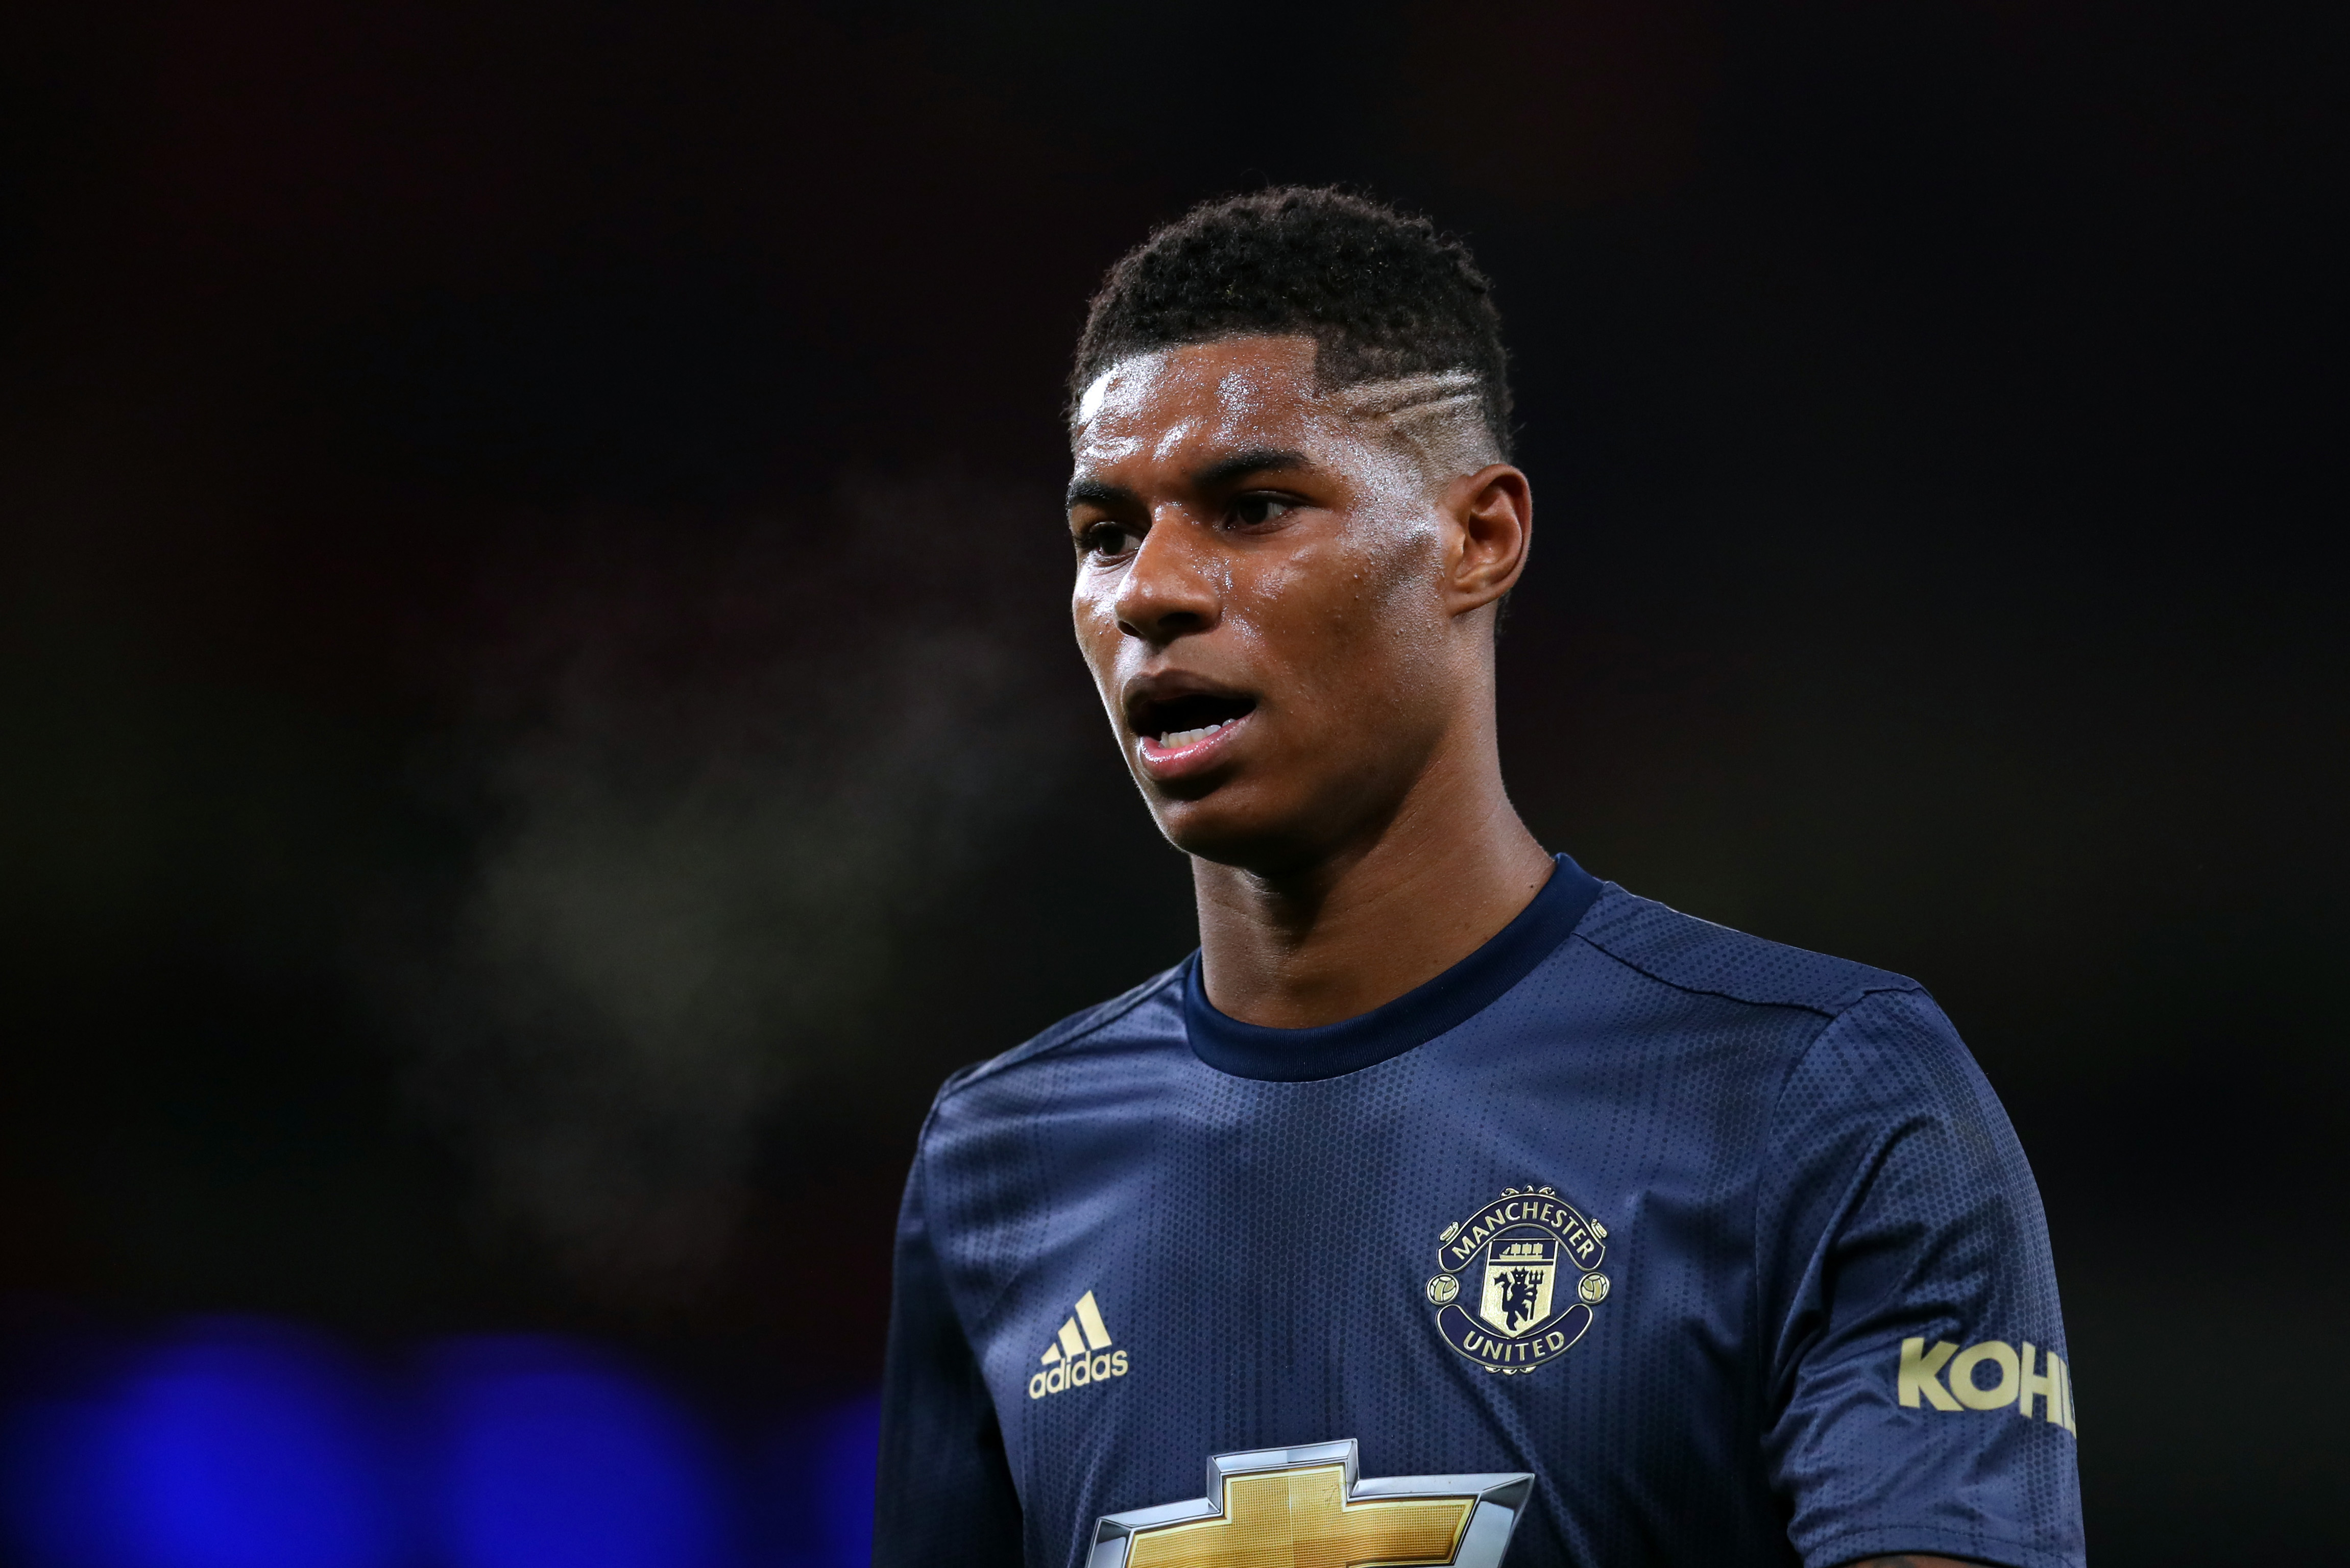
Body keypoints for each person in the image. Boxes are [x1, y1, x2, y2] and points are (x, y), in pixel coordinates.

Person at [874, 187, 2083, 1568]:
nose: (1149, 589)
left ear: (1478, 539)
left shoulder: (1817, 1090)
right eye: (1104, 534)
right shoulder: (1000, 1160)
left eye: (1253, 506)